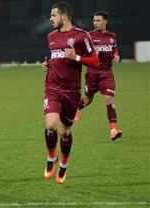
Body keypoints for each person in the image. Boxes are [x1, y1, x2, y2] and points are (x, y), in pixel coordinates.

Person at [42, 2, 99, 184]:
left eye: (53, 15)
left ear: (64, 16)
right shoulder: (50, 36)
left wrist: (76, 57)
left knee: (65, 132)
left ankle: (64, 165)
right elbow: (56, 58)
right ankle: (51, 158)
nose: (50, 19)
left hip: (71, 91)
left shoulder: (82, 36)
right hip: (52, 88)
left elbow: (95, 62)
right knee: (51, 125)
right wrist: (48, 65)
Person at [74, 11, 122, 141]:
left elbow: (114, 51)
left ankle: (113, 130)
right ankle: (77, 109)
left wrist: (116, 56)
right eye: (94, 21)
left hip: (106, 73)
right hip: (92, 73)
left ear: (105, 22)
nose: (95, 23)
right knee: (88, 99)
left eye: (98, 20)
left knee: (109, 100)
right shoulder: (88, 36)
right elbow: (81, 53)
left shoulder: (112, 36)